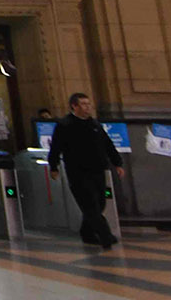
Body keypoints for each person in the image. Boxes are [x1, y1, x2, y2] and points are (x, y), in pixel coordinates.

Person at [46, 92, 125, 249]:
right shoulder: (65, 125)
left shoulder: (94, 124)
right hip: (78, 171)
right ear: (74, 106)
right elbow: (56, 147)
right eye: (83, 104)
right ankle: (105, 235)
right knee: (89, 204)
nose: (87, 107)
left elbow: (107, 145)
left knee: (100, 202)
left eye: (88, 104)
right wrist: (53, 166)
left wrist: (117, 163)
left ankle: (87, 232)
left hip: (97, 169)